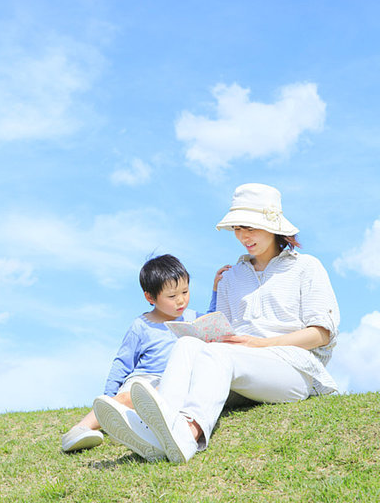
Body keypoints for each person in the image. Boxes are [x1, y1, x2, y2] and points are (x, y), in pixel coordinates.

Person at [95, 183, 340, 463]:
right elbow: (222, 335)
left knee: (220, 355)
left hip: (293, 368)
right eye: (237, 228)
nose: (243, 236)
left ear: (274, 226)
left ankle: (187, 434)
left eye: (250, 227)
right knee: (188, 343)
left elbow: (321, 334)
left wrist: (262, 343)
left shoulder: (305, 267)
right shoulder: (230, 277)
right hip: (240, 367)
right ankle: (159, 429)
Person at [62, 254, 228, 454]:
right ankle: (79, 430)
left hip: (173, 382)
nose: (181, 300)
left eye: (185, 291)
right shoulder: (141, 325)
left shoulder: (192, 317)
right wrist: (109, 396)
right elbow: (122, 363)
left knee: (160, 401)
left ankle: (139, 430)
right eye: (172, 296)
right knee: (127, 397)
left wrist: (216, 290)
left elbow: (211, 323)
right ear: (150, 297)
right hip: (143, 379)